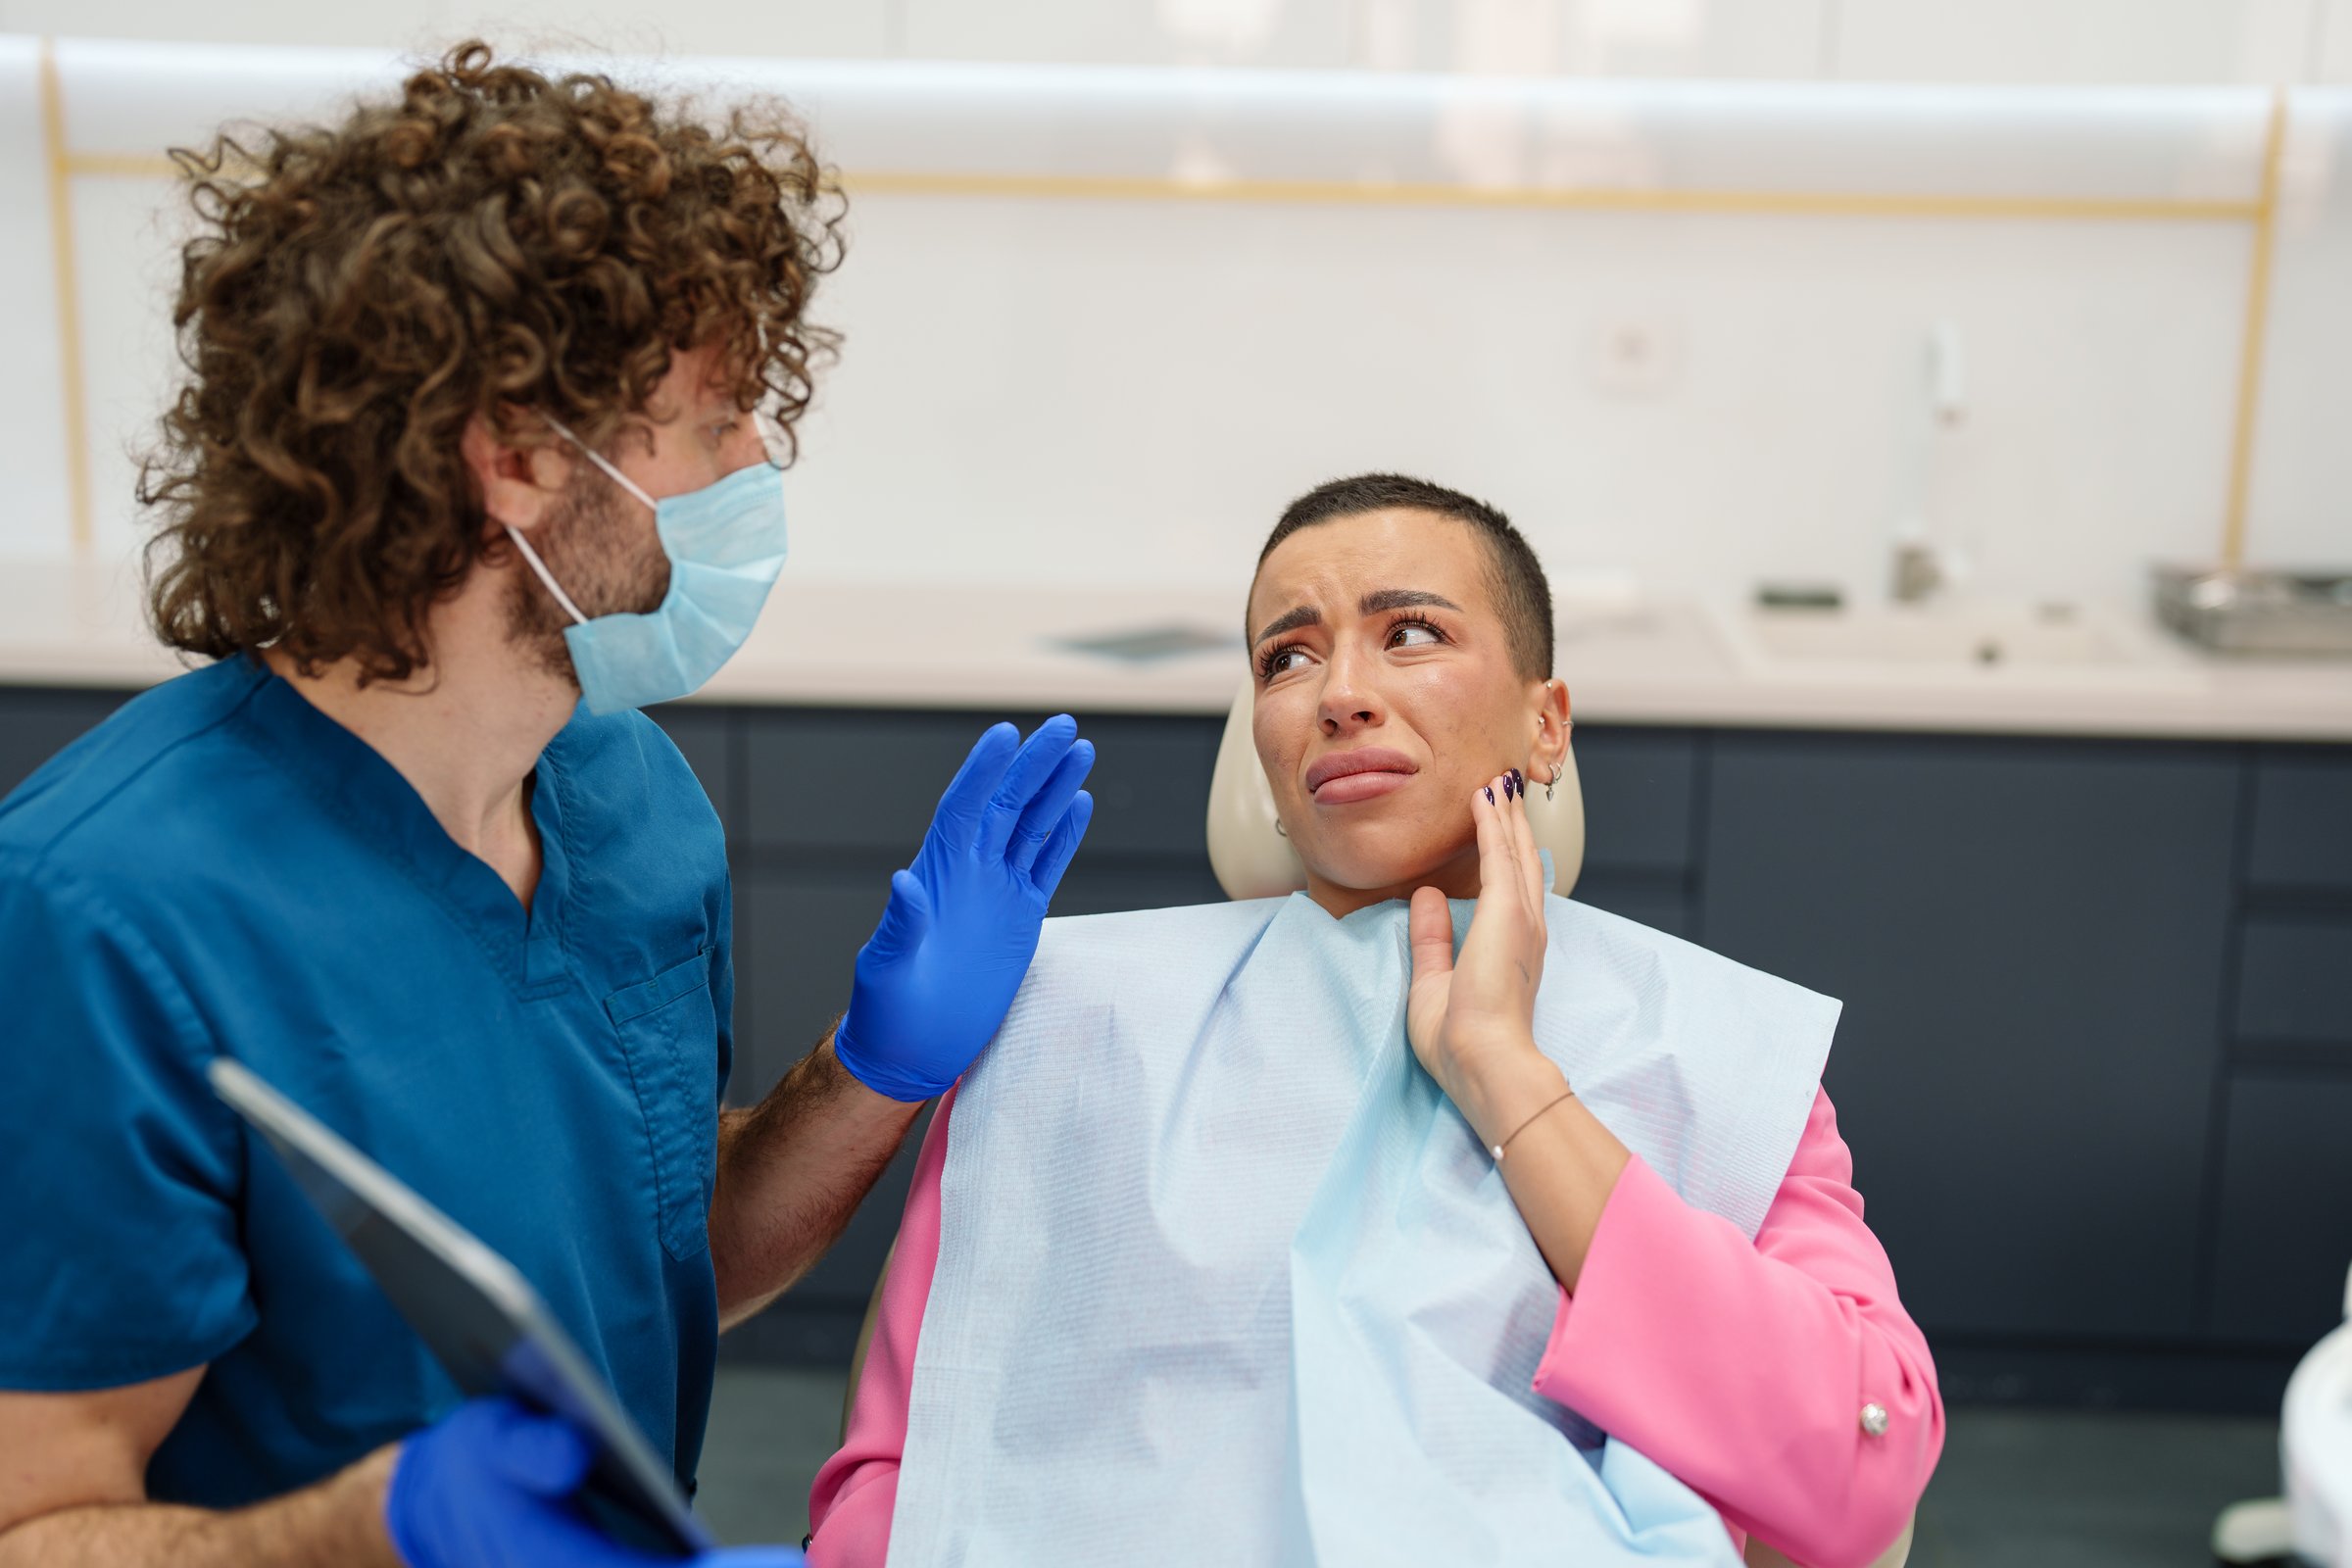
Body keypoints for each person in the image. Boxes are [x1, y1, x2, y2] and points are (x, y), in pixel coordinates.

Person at [0, 44, 1093, 1568]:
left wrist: (876, 1073)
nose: (755, 457)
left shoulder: (629, 797)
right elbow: (33, 1516)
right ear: (514, 457)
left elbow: (660, 1259)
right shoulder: (101, 912)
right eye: (712, 421)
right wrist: (370, 1530)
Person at [809, 474, 1943, 1568]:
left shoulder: (1707, 1046)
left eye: (1411, 634)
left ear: (1546, 726)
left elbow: (1857, 1468)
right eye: (1287, 657)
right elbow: (898, 1481)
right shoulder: (1067, 1021)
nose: (1339, 692)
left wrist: (1509, 1077)